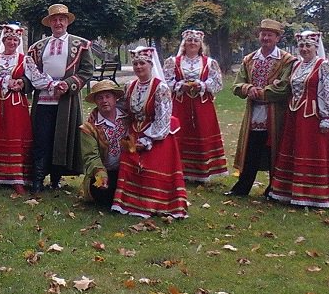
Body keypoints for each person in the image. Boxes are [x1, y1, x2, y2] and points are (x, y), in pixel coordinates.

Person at [269, 31, 329, 208]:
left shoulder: (324, 65)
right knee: (295, 150)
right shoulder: (297, 66)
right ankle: (292, 192)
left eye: (308, 46)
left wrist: (328, 117)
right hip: (295, 115)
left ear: (316, 47)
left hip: (313, 117)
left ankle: (314, 195)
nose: (304, 49)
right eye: (301, 46)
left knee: (311, 151)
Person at [0, 24, 53, 196]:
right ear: (4, 40)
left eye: (15, 40)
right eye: (9, 39)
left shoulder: (25, 60)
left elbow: (37, 78)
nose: (12, 42)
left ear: (19, 42)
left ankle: (17, 178)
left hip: (16, 104)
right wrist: (4, 82)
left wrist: (53, 84)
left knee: (15, 135)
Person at [112, 46, 188, 218]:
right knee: (128, 159)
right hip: (134, 132)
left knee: (151, 165)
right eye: (136, 64)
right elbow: (124, 111)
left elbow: (163, 118)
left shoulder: (160, 88)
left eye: (142, 63)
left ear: (150, 65)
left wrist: (147, 140)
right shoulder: (129, 86)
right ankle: (128, 202)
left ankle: (153, 204)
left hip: (156, 135)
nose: (139, 67)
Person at [25, 4, 93, 193]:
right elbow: (31, 73)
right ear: (49, 23)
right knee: (41, 138)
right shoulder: (38, 47)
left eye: (61, 19)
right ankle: (38, 179)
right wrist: (22, 84)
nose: (58, 23)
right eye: (54, 19)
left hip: (66, 102)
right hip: (43, 100)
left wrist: (69, 83)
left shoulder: (80, 44)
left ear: (67, 22)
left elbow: (87, 70)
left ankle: (56, 179)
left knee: (61, 139)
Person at [228, 19, 295, 196]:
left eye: (270, 35)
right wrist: (247, 88)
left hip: (276, 114)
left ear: (277, 38)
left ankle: (274, 188)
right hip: (253, 114)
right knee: (250, 149)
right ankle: (242, 187)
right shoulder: (249, 59)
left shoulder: (287, 61)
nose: (265, 38)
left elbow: (286, 86)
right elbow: (236, 85)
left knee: (275, 149)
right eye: (263, 34)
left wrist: (263, 93)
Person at [163, 30, 228, 182]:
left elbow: (217, 83)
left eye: (196, 41)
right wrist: (180, 86)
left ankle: (203, 172)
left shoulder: (209, 62)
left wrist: (203, 86)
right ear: (184, 44)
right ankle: (179, 170)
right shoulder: (173, 62)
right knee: (180, 134)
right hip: (181, 105)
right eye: (189, 40)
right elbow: (166, 82)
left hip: (202, 105)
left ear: (201, 45)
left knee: (202, 133)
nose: (192, 43)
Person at [80, 80, 129, 208]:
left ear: (115, 98)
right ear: (95, 102)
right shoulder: (88, 127)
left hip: (127, 170)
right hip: (103, 172)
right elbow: (91, 157)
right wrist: (100, 174)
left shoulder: (129, 118)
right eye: (100, 98)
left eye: (108, 96)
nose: (104, 101)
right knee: (101, 191)